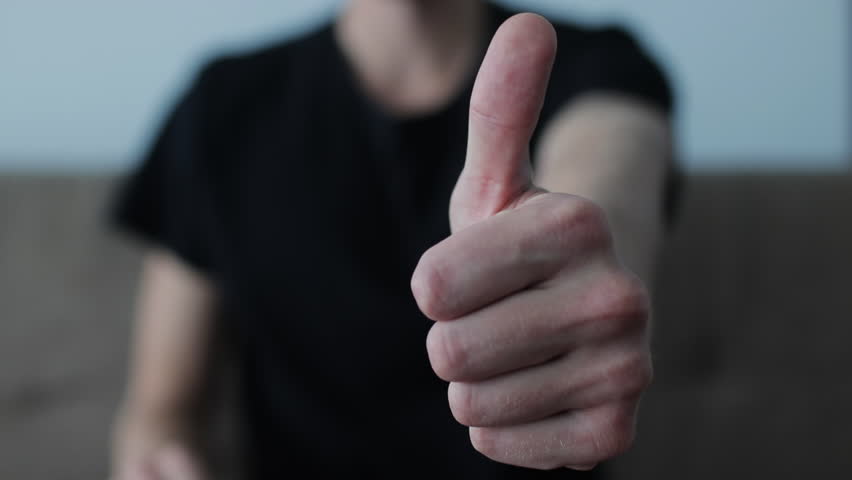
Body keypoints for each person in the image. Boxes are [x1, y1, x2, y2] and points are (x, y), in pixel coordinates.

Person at [109, 0, 676, 478]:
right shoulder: (223, 107)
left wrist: (579, 259)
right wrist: (161, 459)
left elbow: (610, 181)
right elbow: (161, 410)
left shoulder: (596, 65)